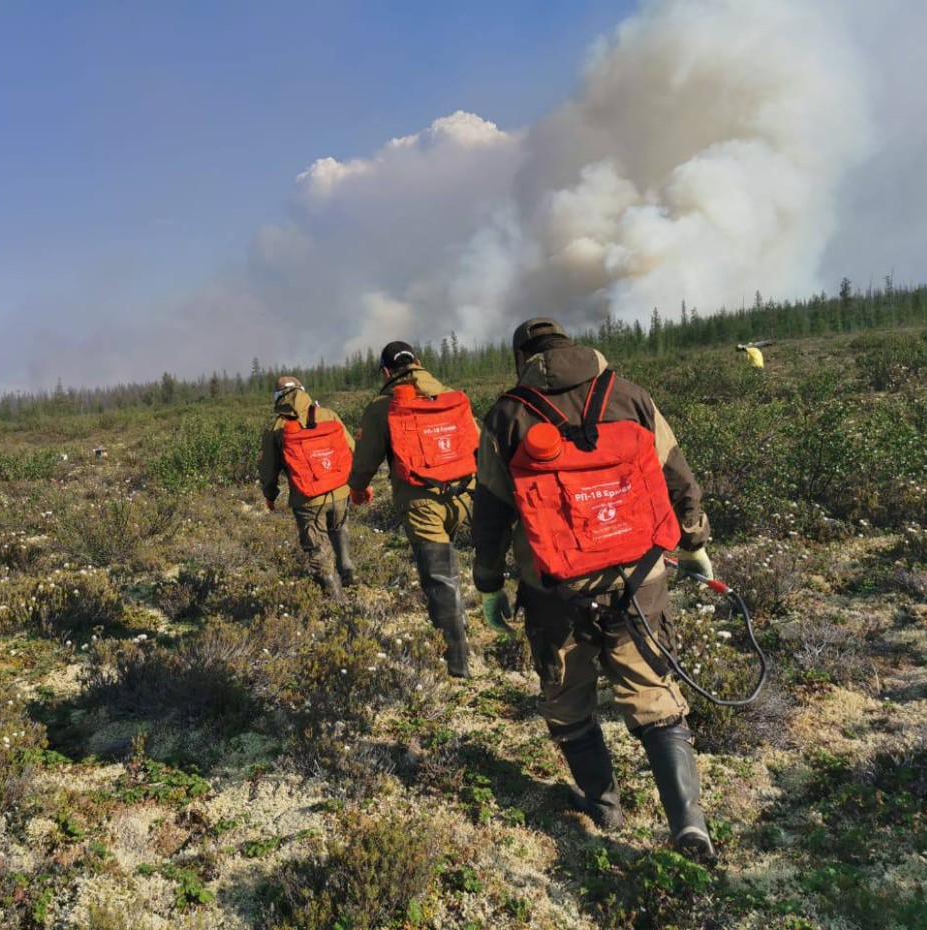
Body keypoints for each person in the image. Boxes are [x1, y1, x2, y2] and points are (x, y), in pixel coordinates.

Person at [471, 317, 717, 860]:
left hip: (554, 589)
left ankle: (604, 807)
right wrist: (694, 543)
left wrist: (489, 584)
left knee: (567, 699)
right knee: (654, 695)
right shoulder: (630, 395)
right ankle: (688, 823)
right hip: (640, 577)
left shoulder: (507, 415)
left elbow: (490, 513)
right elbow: (678, 477)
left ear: (522, 359)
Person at [348, 342, 481, 677]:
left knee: (438, 576)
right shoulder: (450, 396)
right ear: (419, 363)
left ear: (386, 372)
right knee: (449, 567)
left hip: (421, 503)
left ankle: (457, 663)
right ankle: (462, 624)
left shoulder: (384, 406)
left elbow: (365, 460)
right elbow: (477, 442)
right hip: (464, 494)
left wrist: (358, 488)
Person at [259, 375, 357, 598]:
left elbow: (268, 469)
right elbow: (351, 447)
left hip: (308, 499)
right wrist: (359, 484)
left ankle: (335, 598)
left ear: (277, 397)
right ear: (303, 391)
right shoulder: (329, 414)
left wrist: (270, 495)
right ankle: (347, 569)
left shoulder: (277, 427)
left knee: (317, 547)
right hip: (340, 490)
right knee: (339, 527)